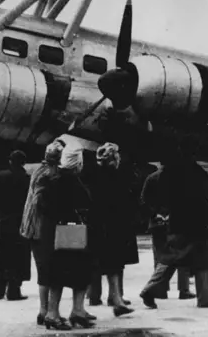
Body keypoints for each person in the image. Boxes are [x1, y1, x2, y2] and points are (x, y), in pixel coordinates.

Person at [146, 147, 208, 309]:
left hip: (180, 221)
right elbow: (207, 191)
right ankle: (205, 297)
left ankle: (153, 289)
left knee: (175, 258)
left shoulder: (172, 174)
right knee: (197, 260)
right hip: (196, 222)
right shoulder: (196, 172)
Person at [38, 143, 94, 330]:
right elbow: (87, 203)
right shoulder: (74, 181)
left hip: (53, 232)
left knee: (56, 273)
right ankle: (76, 310)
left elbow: (41, 206)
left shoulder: (50, 179)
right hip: (72, 232)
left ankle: (52, 312)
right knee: (82, 270)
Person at [83, 143, 136, 317]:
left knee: (95, 263)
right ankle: (116, 299)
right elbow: (125, 201)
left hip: (96, 225)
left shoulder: (92, 175)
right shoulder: (118, 177)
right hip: (114, 226)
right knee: (115, 264)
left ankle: (94, 296)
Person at [20, 139, 64, 326]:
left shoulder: (38, 170)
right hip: (44, 229)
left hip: (30, 227)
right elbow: (40, 200)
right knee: (53, 271)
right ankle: (49, 311)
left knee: (42, 271)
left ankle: (43, 310)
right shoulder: (51, 175)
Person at [139, 163, 194, 308]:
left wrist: (155, 213)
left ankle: (160, 290)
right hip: (175, 222)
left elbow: (144, 200)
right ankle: (184, 289)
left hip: (156, 222)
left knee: (159, 255)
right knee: (181, 254)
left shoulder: (151, 178)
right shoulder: (179, 178)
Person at [0, 150, 31, 300]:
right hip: (19, 222)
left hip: (0, 222)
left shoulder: (0, 176)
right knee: (17, 257)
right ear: (23, 163)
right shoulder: (26, 179)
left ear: (10, 161)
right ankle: (13, 291)